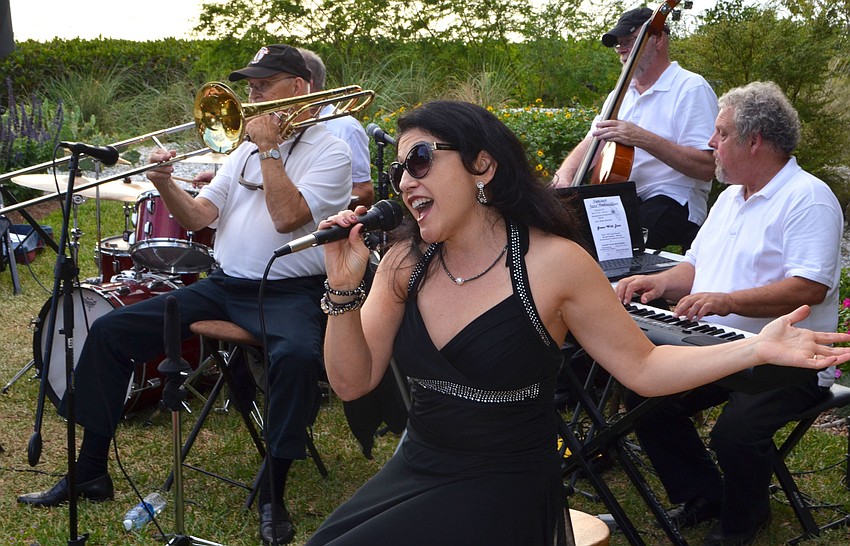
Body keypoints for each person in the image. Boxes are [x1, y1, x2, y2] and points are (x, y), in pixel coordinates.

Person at [303, 100, 850, 545]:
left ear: (482, 165)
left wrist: (753, 350)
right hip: (418, 468)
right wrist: (343, 287)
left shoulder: (554, 264)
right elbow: (352, 382)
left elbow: (645, 364)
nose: (404, 181)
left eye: (420, 159)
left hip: (505, 486)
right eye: (399, 169)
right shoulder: (404, 262)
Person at [17, 44, 353, 546]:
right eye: (251, 85)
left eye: (263, 84)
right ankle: (90, 471)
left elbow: (288, 219)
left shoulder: (331, 150)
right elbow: (199, 216)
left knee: (299, 355)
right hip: (224, 285)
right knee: (110, 331)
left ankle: (273, 494)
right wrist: (164, 182)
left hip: (288, 291)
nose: (252, 94)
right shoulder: (242, 149)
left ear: (299, 87)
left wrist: (269, 151)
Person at [616, 81, 844, 546]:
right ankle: (705, 496)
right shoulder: (728, 197)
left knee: (736, 433)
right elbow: (696, 266)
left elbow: (809, 287)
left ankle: (742, 524)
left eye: (720, 133)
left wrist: (727, 301)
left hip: (789, 359)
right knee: (643, 397)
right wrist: (660, 282)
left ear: (754, 140)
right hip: (718, 346)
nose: (711, 144)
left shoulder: (808, 197)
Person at [553, 7, 718, 251]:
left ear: (659, 39)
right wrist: (564, 175)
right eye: (618, 43)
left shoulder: (690, 88)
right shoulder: (620, 94)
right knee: (561, 229)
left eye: (630, 40)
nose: (621, 48)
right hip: (622, 199)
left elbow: (707, 167)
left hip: (673, 198)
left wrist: (641, 138)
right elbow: (593, 142)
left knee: (614, 242)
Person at [297, 47, 375, 208]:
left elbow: (365, 191)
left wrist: (316, 205)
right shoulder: (284, 126)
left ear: (307, 83)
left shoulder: (345, 126)